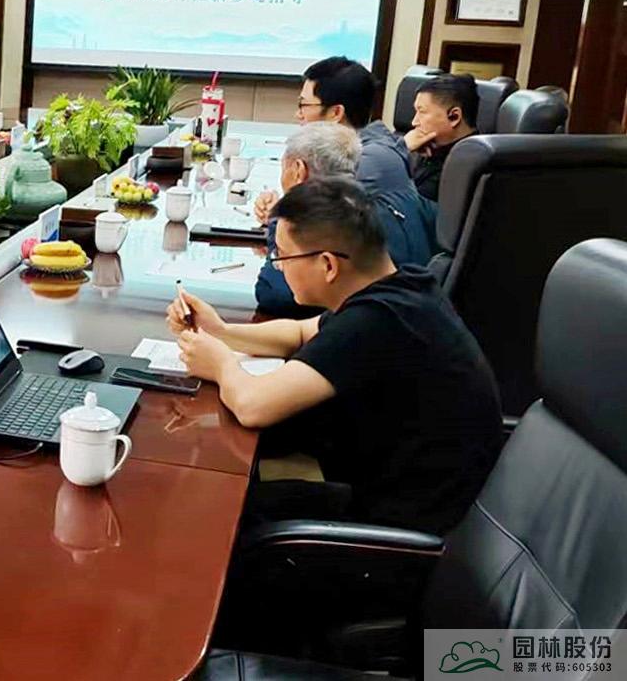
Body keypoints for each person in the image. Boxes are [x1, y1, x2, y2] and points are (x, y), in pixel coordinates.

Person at [167, 177, 500, 533]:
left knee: (217, 510)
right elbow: (299, 333)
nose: (279, 265)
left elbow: (253, 405)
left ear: (328, 265)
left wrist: (220, 363)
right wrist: (222, 331)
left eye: (282, 256)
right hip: (415, 495)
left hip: (399, 525)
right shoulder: (404, 287)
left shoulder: (376, 322)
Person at [254, 123, 437, 317]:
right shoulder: (368, 202)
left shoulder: (330, 223)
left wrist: (284, 216)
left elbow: (274, 292)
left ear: (299, 170)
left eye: (284, 168)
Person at [294, 56, 412, 193]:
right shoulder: (352, 151)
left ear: (336, 113)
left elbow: (313, 204)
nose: (298, 115)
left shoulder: (367, 160)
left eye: (303, 105)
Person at [405, 74, 479, 202]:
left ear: (454, 117)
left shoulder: (460, 167)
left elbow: (400, 205)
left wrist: (401, 150)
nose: (414, 122)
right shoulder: (432, 149)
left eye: (422, 112)